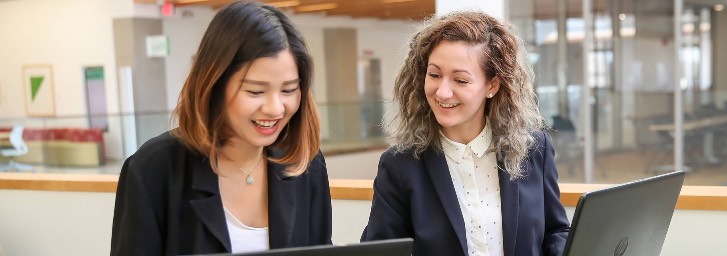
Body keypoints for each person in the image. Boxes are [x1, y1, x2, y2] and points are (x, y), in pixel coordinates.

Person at [110, 1, 331, 255]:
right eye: (255, 91)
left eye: (289, 90)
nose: (275, 108)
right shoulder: (152, 169)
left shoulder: (306, 163)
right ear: (215, 84)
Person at [361, 11, 570, 256]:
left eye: (460, 80)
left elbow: (555, 231)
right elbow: (380, 250)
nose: (442, 92)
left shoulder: (533, 149)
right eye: (435, 75)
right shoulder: (400, 165)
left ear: (492, 85)